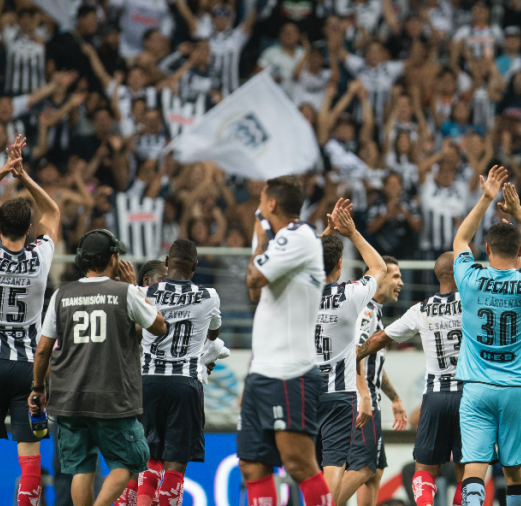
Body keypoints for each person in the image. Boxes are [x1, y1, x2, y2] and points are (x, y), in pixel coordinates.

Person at [29, 229, 166, 506]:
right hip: (113, 398)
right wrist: (137, 289)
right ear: (113, 258)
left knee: (82, 467)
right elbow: (159, 326)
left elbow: (43, 349)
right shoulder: (124, 292)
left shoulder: (62, 295)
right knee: (131, 461)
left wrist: (38, 388)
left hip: (69, 398)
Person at [0, 134, 60, 506]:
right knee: (30, 453)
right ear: (29, 230)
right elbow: (52, 212)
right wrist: (24, 176)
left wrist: (3, 172)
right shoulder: (40, 258)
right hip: (28, 369)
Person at [452, 167, 521, 506]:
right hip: (516, 388)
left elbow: (458, 240)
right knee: (516, 471)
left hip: (476, 387)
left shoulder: (469, 279)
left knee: (474, 468)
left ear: (486, 248)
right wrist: (518, 211)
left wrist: (486, 198)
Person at [240, 176, 334, 506]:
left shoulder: (299, 235)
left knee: (298, 463)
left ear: (271, 204)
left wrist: (261, 237)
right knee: (252, 465)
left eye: (261, 200)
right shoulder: (278, 243)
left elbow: (254, 275)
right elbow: (254, 290)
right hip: (262, 372)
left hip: (289, 371)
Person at [358, 252, 465, 506]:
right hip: (467, 396)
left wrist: (354, 354)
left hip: (435, 396)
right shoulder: (473, 302)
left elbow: (381, 338)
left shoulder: (421, 309)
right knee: (468, 470)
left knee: (424, 471)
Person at [134, 239, 222, 506]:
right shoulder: (210, 296)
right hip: (184, 383)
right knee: (175, 466)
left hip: (148, 381)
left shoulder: (145, 293)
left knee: (149, 460)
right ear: (194, 267)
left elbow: (133, 332)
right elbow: (214, 331)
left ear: (168, 262)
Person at [315, 199, 388, 504]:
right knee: (334, 465)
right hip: (340, 395)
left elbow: (305, 263)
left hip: (304, 389)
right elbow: (379, 267)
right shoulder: (352, 294)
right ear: (341, 264)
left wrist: (328, 234)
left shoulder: (301, 292)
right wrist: (351, 232)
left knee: (307, 466)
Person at [345, 256, 408, 506]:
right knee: (364, 468)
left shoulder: (374, 311)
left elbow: (373, 364)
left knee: (375, 470)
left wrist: (394, 397)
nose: (401, 282)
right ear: (379, 279)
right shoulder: (367, 310)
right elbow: (356, 351)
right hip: (362, 400)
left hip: (371, 398)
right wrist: (364, 395)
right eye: (395, 276)